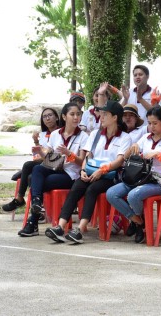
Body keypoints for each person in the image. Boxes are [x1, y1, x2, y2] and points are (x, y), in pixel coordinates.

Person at [45, 101, 132, 244]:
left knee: (92, 189)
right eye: (101, 114)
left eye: (105, 114)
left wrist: (102, 170)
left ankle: (79, 229)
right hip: (92, 171)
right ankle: (60, 227)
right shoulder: (95, 134)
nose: (101, 117)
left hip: (110, 175)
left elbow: (119, 161)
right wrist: (83, 170)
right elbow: (88, 156)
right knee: (77, 187)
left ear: (115, 117)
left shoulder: (124, 137)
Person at [106, 106, 161, 243]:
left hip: (157, 181)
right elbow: (126, 157)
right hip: (139, 178)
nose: (151, 127)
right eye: (149, 123)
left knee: (134, 195)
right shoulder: (146, 137)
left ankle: (138, 224)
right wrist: (132, 148)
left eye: (155, 123)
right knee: (111, 193)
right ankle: (138, 221)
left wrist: (160, 156)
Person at [18, 103, 88, 236]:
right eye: (72, 114)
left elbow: (81, 161)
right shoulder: (56, 134)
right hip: (55, 166)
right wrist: (41, 151)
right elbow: (48, 157)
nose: (76, 117)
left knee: (33, 180)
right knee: (37, 170)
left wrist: (69, 154)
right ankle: (37, 203)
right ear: (64, 116)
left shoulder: (83, 136)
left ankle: (33, 222)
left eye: (78, 114)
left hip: (71, 174)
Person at [2, 107, 60, 212]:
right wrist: (36, 142)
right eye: (44, 116)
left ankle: (21, 199)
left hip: (56, 164)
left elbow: (52, 156)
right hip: (43, 163)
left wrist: (41, 152)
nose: (47, 118)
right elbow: (38, 155)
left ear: (57, 117)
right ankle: (36, 208)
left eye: (50, 115)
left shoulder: (60, 133)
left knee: (28, 166)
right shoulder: (43, 134)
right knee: (30, 173)